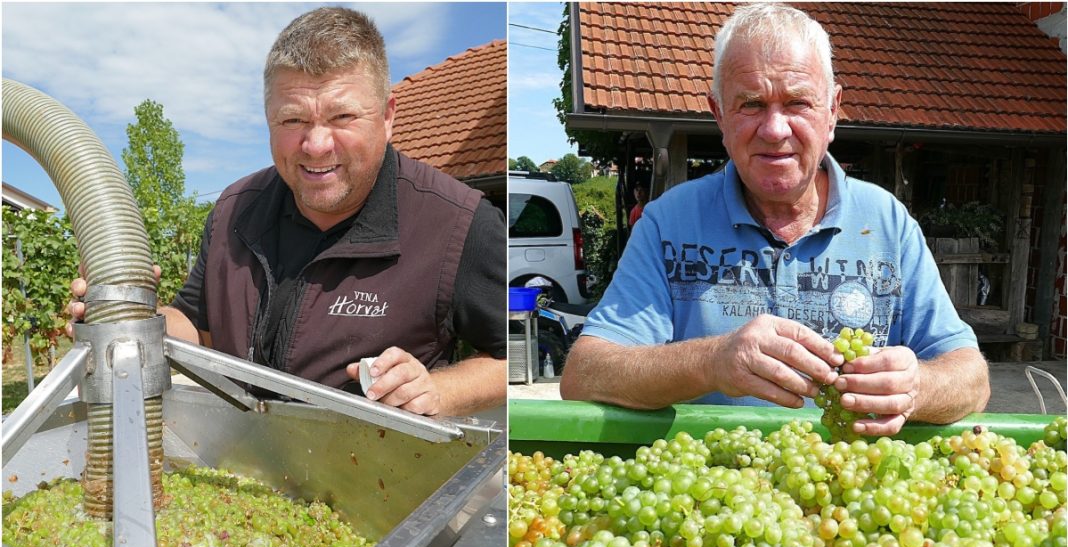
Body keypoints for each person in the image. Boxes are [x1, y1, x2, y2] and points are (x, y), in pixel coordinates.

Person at [560, 3, 989, 437]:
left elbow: (972, 380)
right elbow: (585, 375)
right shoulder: (668, 222)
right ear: (719, 115)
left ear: (833, 111)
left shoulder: (887, 222)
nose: (775, 129)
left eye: (798, 102)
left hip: (850, 492)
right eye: (751, 104)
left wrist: (918, 387)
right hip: (710, 494)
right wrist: (712, 362)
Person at [68, 7, 506, 417]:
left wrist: (439, 389)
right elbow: (198, 326)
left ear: (388, 116)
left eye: (342, 116)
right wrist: (129, 320)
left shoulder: (458, 224)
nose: (316, 145)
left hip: (377, 478)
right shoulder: (235, 210)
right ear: (268, 119)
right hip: (242, 467)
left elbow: (510, 360)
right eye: (292, 121)